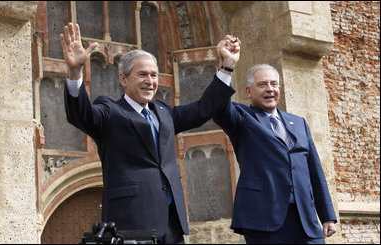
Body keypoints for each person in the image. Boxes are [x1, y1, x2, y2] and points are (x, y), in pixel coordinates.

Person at [60, 22, 239, 244]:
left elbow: (203, 109)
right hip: (132, 225)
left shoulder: (164, 112)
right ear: (123, 79)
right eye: (142, 74)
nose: (150, 81)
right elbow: (81, 115)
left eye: (154, 75)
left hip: (172, 224)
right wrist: (75, 71)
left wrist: (227, 67)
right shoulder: (111, 111)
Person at [213, 64, 337, 244]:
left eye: (273, 84)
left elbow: (315, 173)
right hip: (265, 221)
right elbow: (217, 107)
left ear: (279, 88)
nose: (270, 89)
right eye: (262, 84)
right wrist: (226, 68)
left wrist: (327, 215)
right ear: (249, 91)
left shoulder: (299, 123)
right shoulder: (242, 117)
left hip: (306, 221)